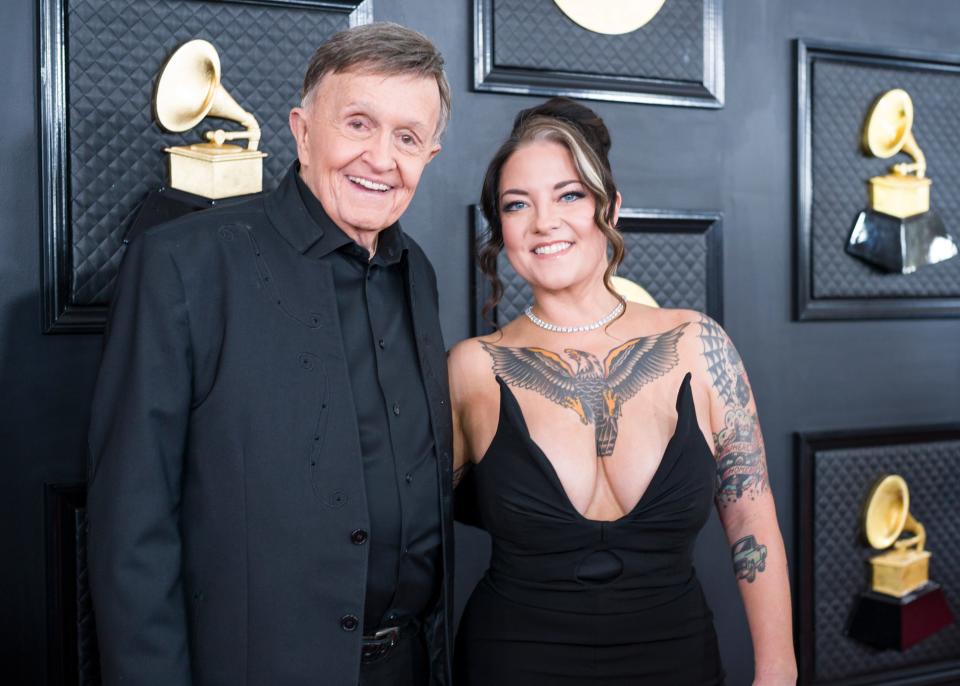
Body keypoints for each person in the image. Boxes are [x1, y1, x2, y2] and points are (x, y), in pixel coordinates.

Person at [87, 23, 454, 686]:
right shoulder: (183, 263)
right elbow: (130, 529)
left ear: (430, 153)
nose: (381, 158)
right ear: (303, 129)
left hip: (413, 667)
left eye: (406, 137)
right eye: (358, 124)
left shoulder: (419, 273)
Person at [449, 98, 797, 685]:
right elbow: (403, 534)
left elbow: (752, 524)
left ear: (610, 207)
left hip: (678, 658)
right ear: (500, 228)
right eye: (517, 205)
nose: (543, 222)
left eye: (568, 195)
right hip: (513, 660)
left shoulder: (699, 344)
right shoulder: (473, 369)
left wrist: (778, 673)